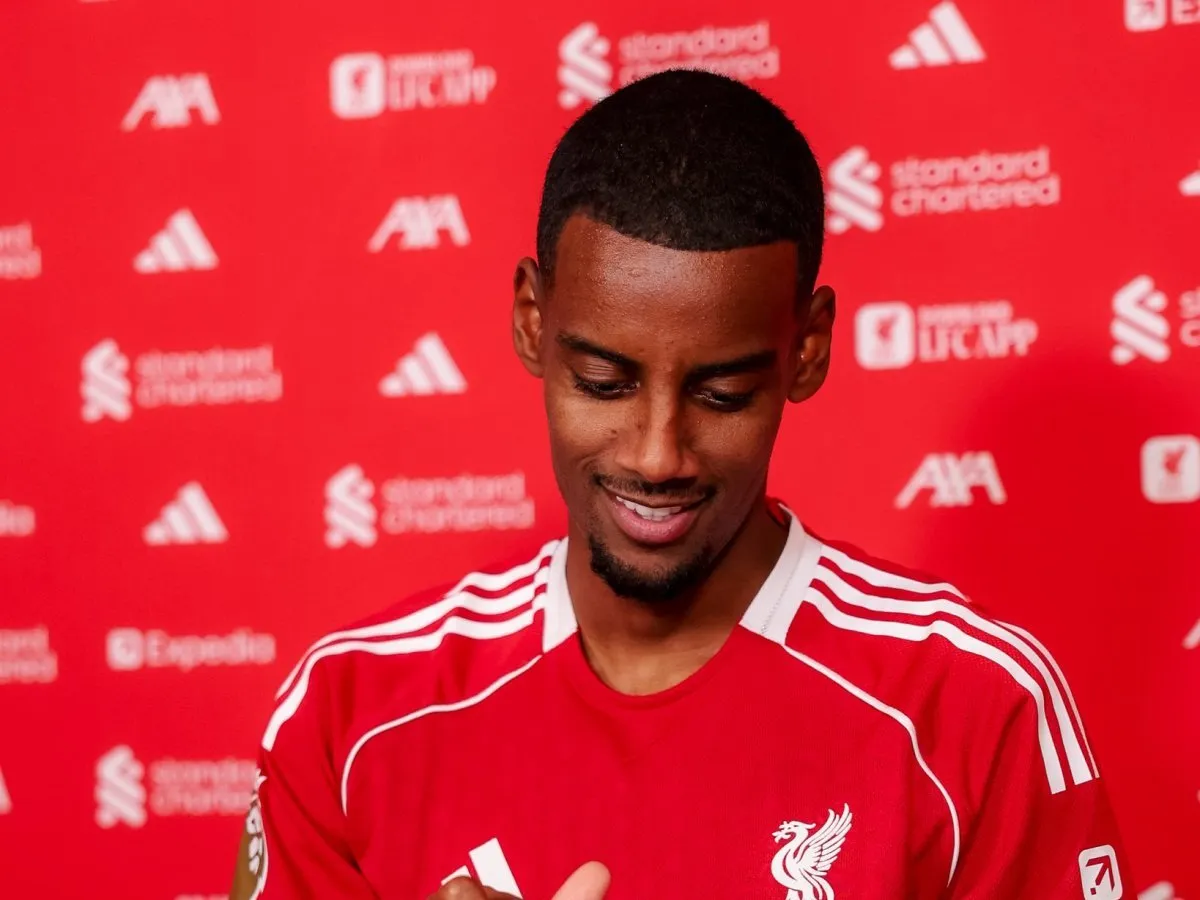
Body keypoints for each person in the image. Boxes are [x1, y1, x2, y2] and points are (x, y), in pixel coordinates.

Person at [229, 69, 1128, 899]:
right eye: (604, 384)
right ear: (533, 321)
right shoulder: (351, 712)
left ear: (807, 348)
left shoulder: (971, 707)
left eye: (721, 394)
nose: (659, 455)